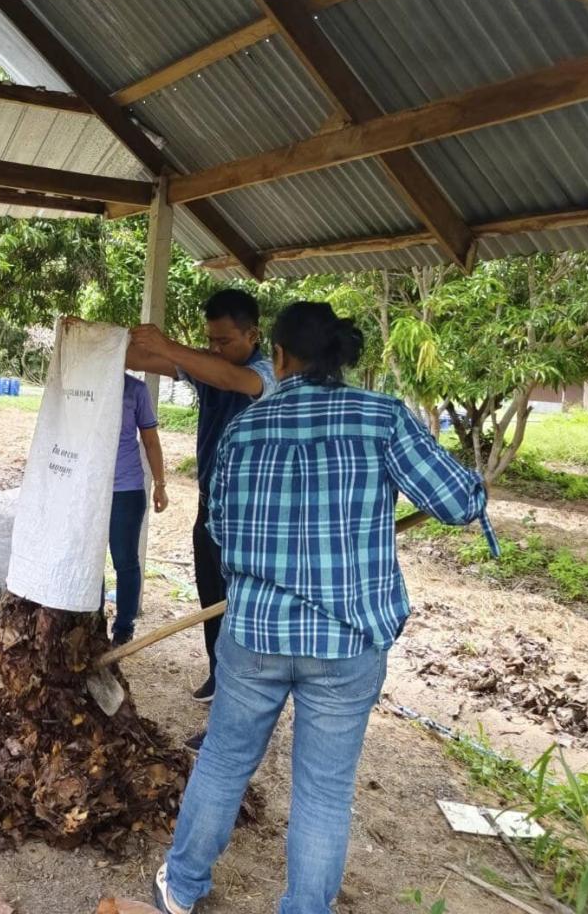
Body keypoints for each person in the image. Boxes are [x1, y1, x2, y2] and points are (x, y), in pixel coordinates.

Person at [152, 302, 498, 914]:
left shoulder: (247, 427)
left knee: (225, 764)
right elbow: (458, 502)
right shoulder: (382, 417)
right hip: (347, 641)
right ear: (338, 356)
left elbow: (222, 529)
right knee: (324, 792)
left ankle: (180, 889)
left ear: (279, 356)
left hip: (255, 631)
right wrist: (473, 489)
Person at [125, 290, 277, 732]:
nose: (214, 349)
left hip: (248, 519)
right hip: (211, 507)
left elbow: (233, 380)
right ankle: (219, 673)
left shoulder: (266, 374)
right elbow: (147, 360)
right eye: (209, 341)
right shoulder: (209, 368)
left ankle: (237, 711)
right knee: (211, 597)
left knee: (239, 610)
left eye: (224, 341)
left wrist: (170, 345)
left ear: (253, 334)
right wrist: (104, 343)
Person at [108, 371, 168, 645]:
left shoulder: (136, 390)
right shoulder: (86, 384)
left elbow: (151, 439)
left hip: (126, 490)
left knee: (125, 560)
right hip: (89, 492)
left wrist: (160, 484)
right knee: (87, 559)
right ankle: (90, 622)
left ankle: (123, 629)